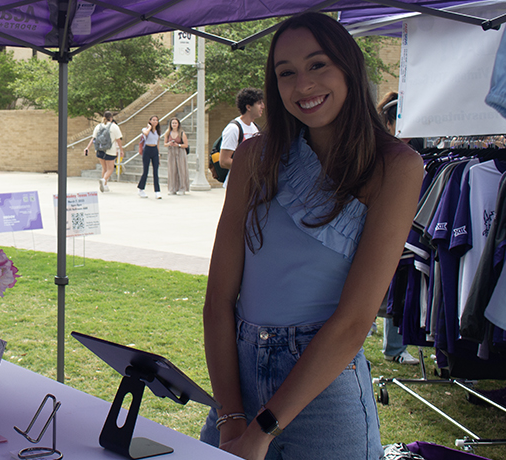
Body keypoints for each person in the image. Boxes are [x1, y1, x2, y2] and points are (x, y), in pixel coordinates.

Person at [199, 13, 423, 460]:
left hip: (325, 391)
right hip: (237, 383)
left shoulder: (396, 167)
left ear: (348, 68)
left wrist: (262, 430)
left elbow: (355, 321)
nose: (302, 85)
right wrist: (232, 417)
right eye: (286, 73)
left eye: (317, 65)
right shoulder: (253, 157)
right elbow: (218, 300)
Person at [375, 91, 421, 366]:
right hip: (381, 227)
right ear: (391, 123)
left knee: (398, 283)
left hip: (403, 228)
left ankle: (394, 347)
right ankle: (392, 347)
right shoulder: (382, 149)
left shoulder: (412, 152)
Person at [215, 88, 264, 187]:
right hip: (236, 185)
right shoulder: (234, 129)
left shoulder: (256, 129)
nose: (263, 106)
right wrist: (250, 167)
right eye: (259, 103)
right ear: (248, 107)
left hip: (252, 184)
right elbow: (224, 161)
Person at [83, 111, 123, 193]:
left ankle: (105, 185)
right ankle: (104, 180)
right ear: (111, 118)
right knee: (110, 169)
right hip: (110, 150)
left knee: (104, 168)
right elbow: (118, 140)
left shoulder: (98, 126)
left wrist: (87, 148)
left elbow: (93, 138)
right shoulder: (114, 127)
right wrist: (121, 150)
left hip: (99, 150)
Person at [137, 115, 162, 199]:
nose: (155, 121)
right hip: (147, 149)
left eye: (156, 120)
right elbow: (146, 133)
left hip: (154, 150)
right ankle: (141, 189)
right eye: (153, 120)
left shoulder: (158, 131)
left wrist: (158, 154)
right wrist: (149, 127)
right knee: (146, 171)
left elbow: (157, 143)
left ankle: (157, 191)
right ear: (150, 121)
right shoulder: (145, 129)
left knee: (155, 171)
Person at [164, 116, 190, 195]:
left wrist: (178, 145)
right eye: (173, 123)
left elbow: (186, 145)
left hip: (180, 151)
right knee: (172, 170)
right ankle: (172, 188)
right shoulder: (168, 133)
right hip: (171, 152)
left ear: (178, 124)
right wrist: (169, 143)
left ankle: (182, 188)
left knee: (181, 169)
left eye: (175, 123)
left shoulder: (182, 133)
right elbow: (165, 144)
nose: (174, 124)